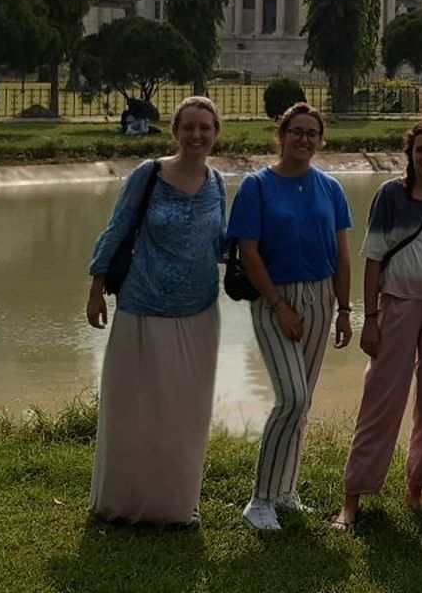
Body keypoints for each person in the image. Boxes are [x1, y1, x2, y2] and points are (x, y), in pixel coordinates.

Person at [84, 95, 228, 525]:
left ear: (216, 133)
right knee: (131, 411)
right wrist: (95, 289)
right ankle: (120, 503)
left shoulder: (218, 182)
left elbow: (218, 244)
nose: (197, 135)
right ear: (175, 131)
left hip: (199, 311)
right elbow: (116, 230)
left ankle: (175, 507)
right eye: (189, 127)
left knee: (185, 415)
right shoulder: (148, 175)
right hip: (142, 306)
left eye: (206, 127)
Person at [333, 119, 422, 529]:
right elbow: (373, 259)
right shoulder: (390, 195)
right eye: (420, 151)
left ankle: (418, 487)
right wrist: (370, 318)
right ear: (410, 154)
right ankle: (353, 495)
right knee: (381, 398)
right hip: (396, 306)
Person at [228, 101, 354, 532]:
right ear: (281, 135)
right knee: (292, 398)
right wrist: (279, 306)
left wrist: (344, 309)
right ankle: (259, 499)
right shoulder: (256, 186)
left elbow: (342, 253)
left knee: (303, 404)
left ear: (320, 140)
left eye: (311, 133)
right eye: (295, 131)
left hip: (321, 296)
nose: (303, 139)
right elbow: (248, 251)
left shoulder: (330, 188)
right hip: (273, 297)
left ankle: (286, 491)